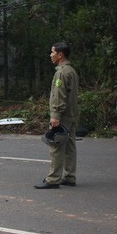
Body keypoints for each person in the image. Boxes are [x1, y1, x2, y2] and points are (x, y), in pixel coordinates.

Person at [35, 42, 79, 189]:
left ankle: (53, 179)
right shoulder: (71, 71)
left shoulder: (61, 73)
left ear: (60, 55)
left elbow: (59, 96)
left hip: (63, 116)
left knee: (56, 146)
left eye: (52, 52)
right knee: (70, 147)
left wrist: (55, 115)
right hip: (72, 115)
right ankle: (69, 176)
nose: (50, 55)